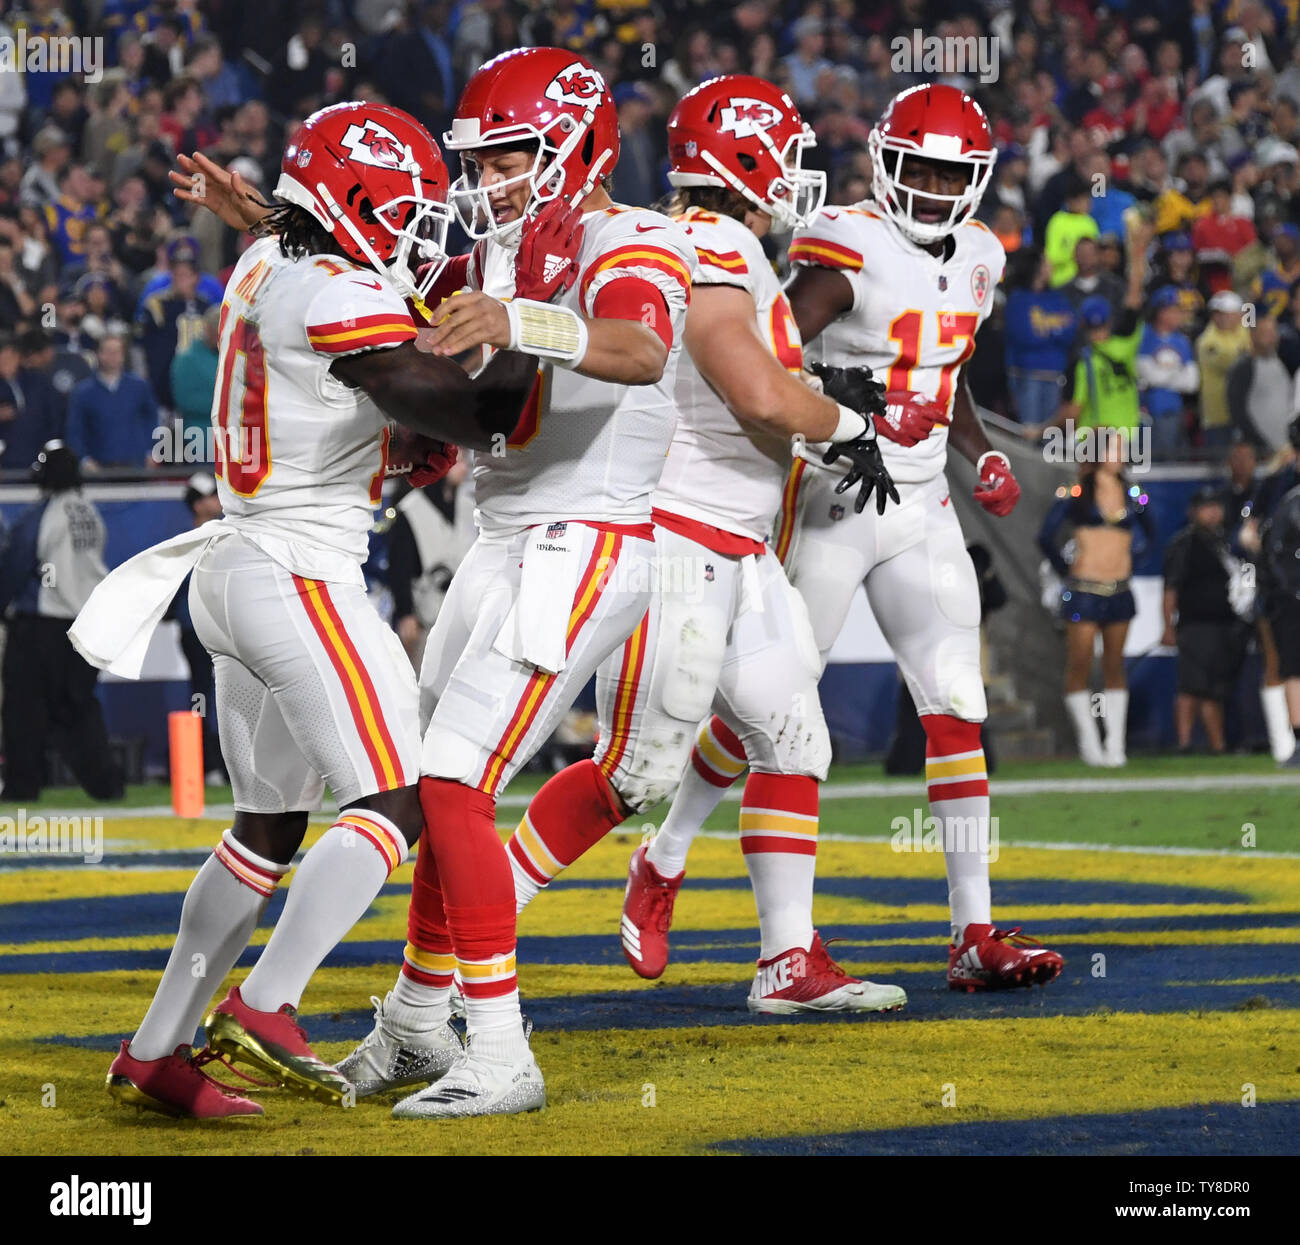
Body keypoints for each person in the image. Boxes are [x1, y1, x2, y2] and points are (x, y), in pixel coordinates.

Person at [71, 100, 547, 1121]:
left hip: (237, 569)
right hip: (296, 571)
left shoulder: (268, 265)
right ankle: (270, 1003)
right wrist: (529, 323)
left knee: (265, 828)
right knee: (398, 799)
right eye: (407, 207)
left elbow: (306, 264)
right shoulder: (334, 292)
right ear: (357, 201)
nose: (422, 228)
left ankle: (157, 1051)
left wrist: (262, 215)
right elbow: (473, 413)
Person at [424, 76, 909, 1021]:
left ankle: (786, 958)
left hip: (732, 538)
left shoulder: (703, 242)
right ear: (750, 159)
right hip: (681, 533)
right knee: (632, 768)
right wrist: (845, 422)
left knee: (796, 740)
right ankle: (456, 951)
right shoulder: (713, 241)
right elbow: (752, 391)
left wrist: (811, 386)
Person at [620, 84, 1063, 996]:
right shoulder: (845, 240)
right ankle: (664, 857)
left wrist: (974, 452)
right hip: (831, 491)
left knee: (956, 702)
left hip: (921, 503)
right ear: (888, 165)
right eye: (923, 167)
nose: (938, 187)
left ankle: (971, 930)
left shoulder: (982, 253)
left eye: (955, 171)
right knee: (769, 714)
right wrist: (847, 407)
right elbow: (768, 346)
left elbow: (950, 368)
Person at [331, 47, 698, 1119]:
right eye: (479, 162)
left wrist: (517, 322)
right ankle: (410, 1023)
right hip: (506, 539)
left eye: (509, 159)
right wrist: (426, 443)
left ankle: (498, 1048)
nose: (488, 182)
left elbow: (636, 347)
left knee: (453, 781)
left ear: (578, 145)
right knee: (438, 786)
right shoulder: (502, 256)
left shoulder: (634, 237)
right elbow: (497, 411)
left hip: (585, 542)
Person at [0, 441, 123, 801]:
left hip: (43, 623)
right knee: (78, 706)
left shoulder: (43, 515)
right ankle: (106, 785)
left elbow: (17, 565)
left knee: (24, 708)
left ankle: (23, 785)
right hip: (86, 622)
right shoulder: (90, 511)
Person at [1038, 448, 1154, 766]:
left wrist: (1131, 561)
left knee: (1115, 666)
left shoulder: (1133, 492)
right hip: (1084, 591)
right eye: (1112, 448)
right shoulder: (1075, 492)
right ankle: (1089, 744)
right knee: (1080, 664)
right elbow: (1046, 535)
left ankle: (1115, 746)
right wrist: (1067, 569)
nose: (1119, 455)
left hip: (1120, 589)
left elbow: (1151, 531)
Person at [1025, 220, 1150, 443]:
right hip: (1128, 437)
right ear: (1110, 320)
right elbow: (1134, 294)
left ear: (1081, 323)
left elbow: (1072, 411)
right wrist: (1138, 250)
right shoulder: (1128, 344)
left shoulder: (1085, 363)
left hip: (1095, 442)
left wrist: (1040, 430)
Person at [1162, 487, 1251, 754]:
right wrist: (1167, 625)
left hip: (1225, 624)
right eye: (1206, 507)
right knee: (1192, 685)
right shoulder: (1184, 544)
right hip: (1195, 624)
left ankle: (1218, 745)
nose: (1212, 512)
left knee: (1215, 687)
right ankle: (1185, 743)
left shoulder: (1226, 542)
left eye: (1216, 506)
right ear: (1194, 511)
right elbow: (1170, 588)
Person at [1003, 246, 1076, 426]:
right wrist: (1056, 328)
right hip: (1027, 376)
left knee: (1049, 437)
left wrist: (1044, 329)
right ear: (1036, 267)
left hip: (1055, 376)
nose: (1051, 267)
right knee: (1029, 432)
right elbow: (1025, 336)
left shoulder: (1057, 298)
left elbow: (1071, 331)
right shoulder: (1018, 299)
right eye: (1046, 263)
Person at [64, 333, 159, 470]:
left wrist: (151, 450)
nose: (112, 356)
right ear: (98, 354)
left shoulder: (140, 386)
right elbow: (74, 430)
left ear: (123, 355)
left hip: (136, 465)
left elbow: (153, 419)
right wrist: (83, 459)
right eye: (108, 352)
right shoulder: (82, 392)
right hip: (99, 467)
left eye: (116, 352)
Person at [1137, 285, 1199, 458]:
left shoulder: (1182, 341)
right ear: (1161, 312)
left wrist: (1161, 376)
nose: (1181, 315)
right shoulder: (1144, 336)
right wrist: (1176, 373)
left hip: (1175, 411)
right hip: (1147, 412)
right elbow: (1145, 374)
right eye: (1176, 310)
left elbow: (1192, 382)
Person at [1228, 316, 1295, 454]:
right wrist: (1259, 444)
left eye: (1274, 332)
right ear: (1253, 336)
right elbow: (1237, 411)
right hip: (1257, 450)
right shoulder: (1244, 367)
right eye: (1266, 333)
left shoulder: (1280, 364)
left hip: (1283, 449)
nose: (1272, 337)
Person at [1197, 290, 1252, 450]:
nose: (1220, 318)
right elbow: (1233, 364)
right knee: (1218, 466)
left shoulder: (1247, 334)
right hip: (1217, 417)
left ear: (1239, 315)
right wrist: (1246, 354)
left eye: (1226, 313)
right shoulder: (1207, 341)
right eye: (1217, 313)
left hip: (1245, 415)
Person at [168, 303, 220, 458]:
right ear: (208, 328)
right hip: (199, 436)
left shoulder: (234, 357)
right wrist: (225, 404)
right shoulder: (186, 359)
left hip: (235, 439)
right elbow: (185, 400)